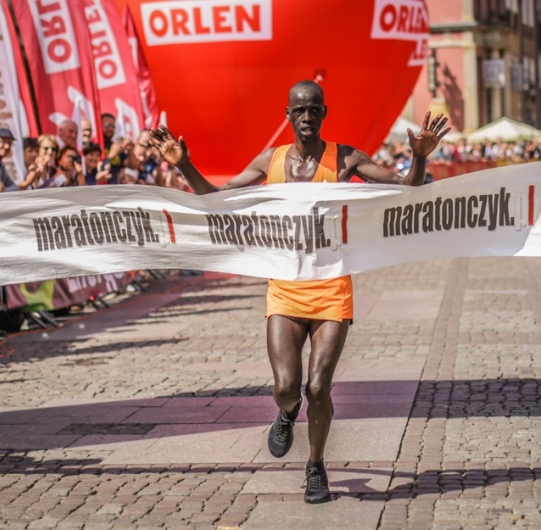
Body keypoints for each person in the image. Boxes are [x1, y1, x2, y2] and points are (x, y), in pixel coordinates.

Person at [150, 80, 450, 504]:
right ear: (287, 116)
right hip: (286, 291)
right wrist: (184, 165)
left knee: (319, 388)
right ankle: (287, 413)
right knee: (288, 387)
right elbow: (215, 197)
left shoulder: (345, 158)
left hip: (332, 291)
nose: (307, 117)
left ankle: (315, 467)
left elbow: (407, 187)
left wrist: (418, 159)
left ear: (324, 113)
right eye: (299, 111)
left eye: (314, 110)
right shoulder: (269, 162)